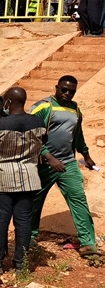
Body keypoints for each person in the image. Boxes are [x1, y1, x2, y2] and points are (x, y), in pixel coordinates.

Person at [30, 75, 99, 257]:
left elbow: (78, 135)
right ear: (57, 87)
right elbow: (31, 134)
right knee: (34, 201)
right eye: (64, 90)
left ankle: (88, 243)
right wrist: (49, 157)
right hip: (44, 164)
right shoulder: (44, 106)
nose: (68, 94)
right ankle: (28, 238)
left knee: (78, 198)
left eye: (72, 91)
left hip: (68, 163)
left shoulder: (75, 110)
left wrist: (86, 155)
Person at [0, 87, 46, 273]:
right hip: (29, 179)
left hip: (3, 179)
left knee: (0, 221)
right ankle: (21, 265)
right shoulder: (39, 122)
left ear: (7, 102)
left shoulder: (0, 124)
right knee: (24, 222)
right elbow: (44, 141)